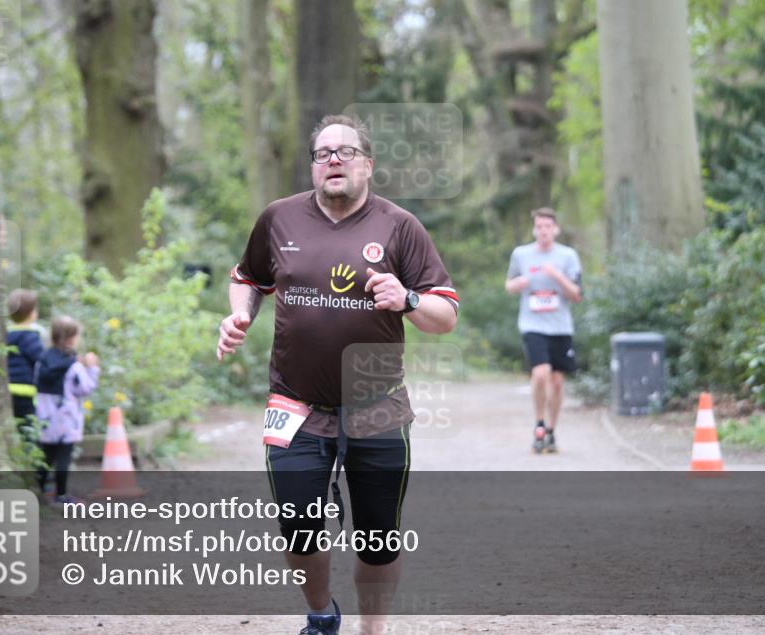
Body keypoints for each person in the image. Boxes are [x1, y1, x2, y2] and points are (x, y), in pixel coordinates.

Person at [217, 114, 458, 635]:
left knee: (378, 535)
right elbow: (248, 278)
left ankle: (372, 628)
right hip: (295, 405)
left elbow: (445, 316)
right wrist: (239, 315)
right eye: (323, 153)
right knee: (299, 528)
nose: (333, 160)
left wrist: (409, 298)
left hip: (378, 407)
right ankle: (322, 613)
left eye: (346, 152)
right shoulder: (278, 220)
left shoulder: (399, 226)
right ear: (312, 168)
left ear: (367, 165)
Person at [505, 208, 582, 454]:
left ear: (555, 229)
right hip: (532, 325)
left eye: (548, 227)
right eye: (539, 227)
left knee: (557, 383)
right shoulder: (521, 254)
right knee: (540, 374)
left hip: (560, 327)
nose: (543, 231)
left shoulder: (568, 256)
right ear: (534, 229)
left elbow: (577, 295)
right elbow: (509, 285)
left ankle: (551, 430)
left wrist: (557, 276)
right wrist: (519, 284)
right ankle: (539, 424)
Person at [34, 315, 100, 506]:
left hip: (44, 417)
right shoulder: (74, 365)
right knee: (63, 457)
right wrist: (93, 369)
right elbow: (85, 388)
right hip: (66, 419)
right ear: (72, 338)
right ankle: (61, 496)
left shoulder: (42, 360)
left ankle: (40, 490)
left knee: (45, 456)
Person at [6, 289, 46, 431]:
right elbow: (40, 360)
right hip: (25, 390)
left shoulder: (6, 334)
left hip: (8, 389)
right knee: (28, 428)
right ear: (32, 313)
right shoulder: (30, 336)